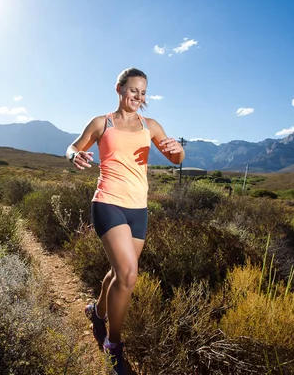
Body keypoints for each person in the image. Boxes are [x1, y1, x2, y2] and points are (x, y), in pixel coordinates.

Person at [65, 67, 185, 374]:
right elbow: (74, 146)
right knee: (129, 273)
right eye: (134, 90)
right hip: (107, 202)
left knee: (118, 272)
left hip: (138, 208)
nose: (139, 97)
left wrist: (179, 150)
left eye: (143, 92)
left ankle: (97, 312)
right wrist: (73, 157)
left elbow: (175, 158)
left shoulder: (151, 125)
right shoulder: (101, 122)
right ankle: (113, 343)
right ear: (119, 89)